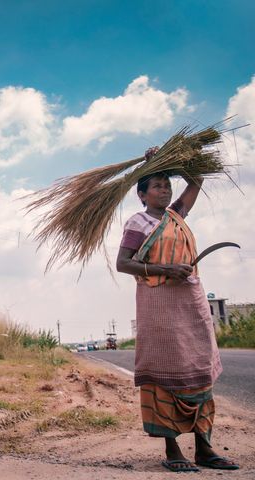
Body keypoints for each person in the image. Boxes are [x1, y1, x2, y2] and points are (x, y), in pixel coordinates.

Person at [116, 150, 239, 472]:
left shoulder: (177, 214)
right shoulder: (138, 222)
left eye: (166, 185)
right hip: (159, 305)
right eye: (156, 186)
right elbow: (124, 263)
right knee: (164, 372)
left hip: (190, 303)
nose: (164, 191)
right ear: (142, 195)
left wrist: (176, 159)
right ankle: (173, 451)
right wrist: (166, 269)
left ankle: (204, 448)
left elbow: (196, 180)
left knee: (198, 369)